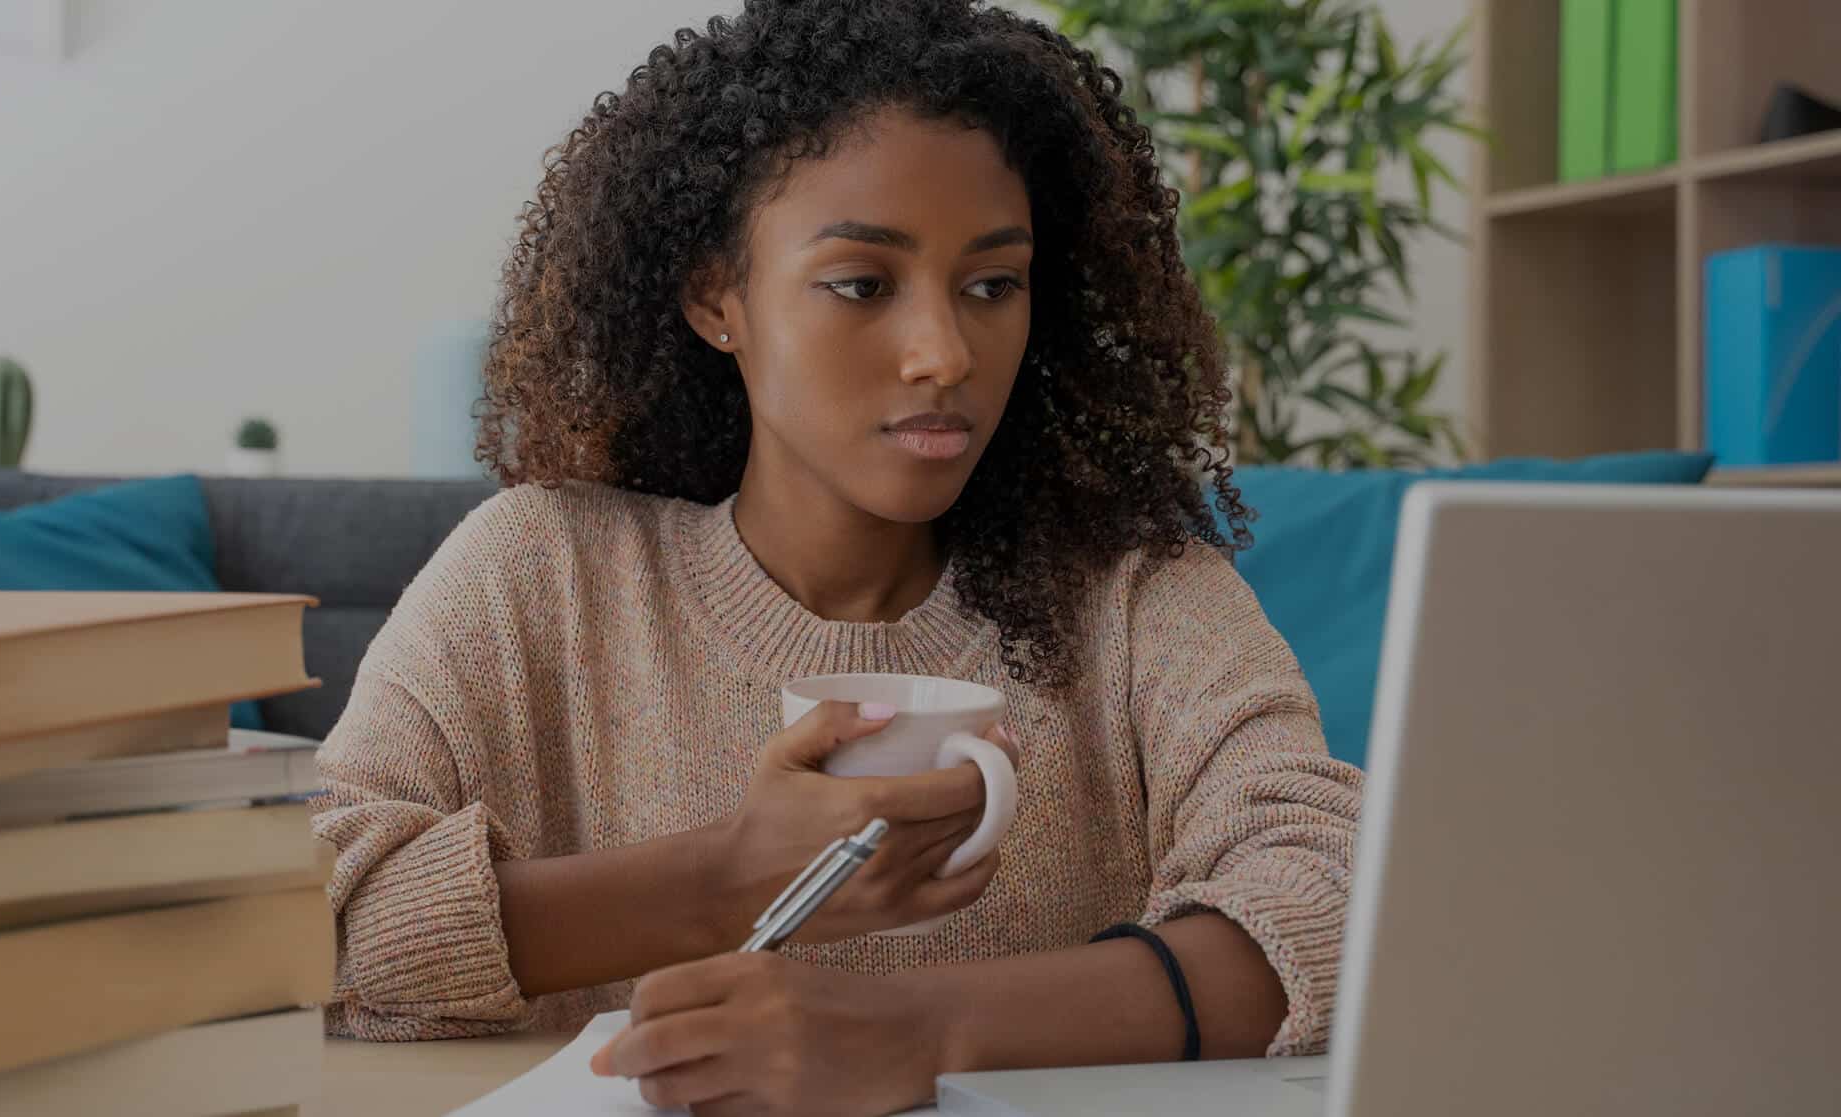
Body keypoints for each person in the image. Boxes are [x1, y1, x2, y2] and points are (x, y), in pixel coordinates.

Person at [313, 1, 1364, 1113]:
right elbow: (281, 925)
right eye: (863, 283)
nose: (944, 353)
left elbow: (1343, 898)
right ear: (718, 297)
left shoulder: (1137, 592)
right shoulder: (543, 574)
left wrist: (923, 1029)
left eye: (991, 285)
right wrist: (724, 876)